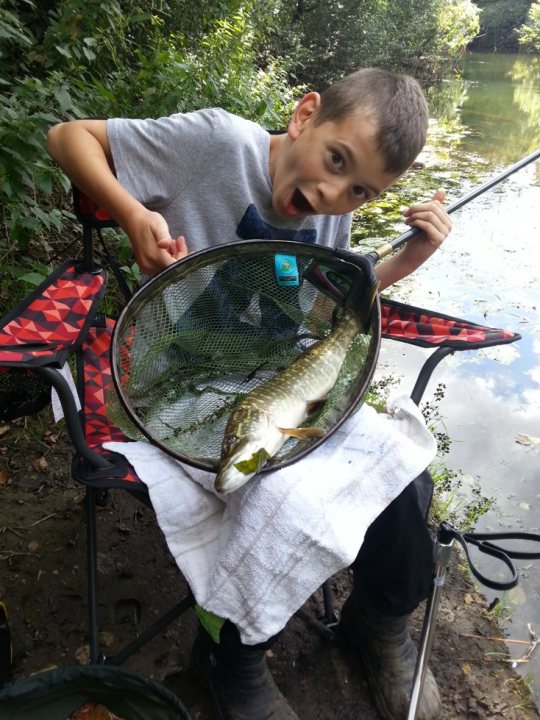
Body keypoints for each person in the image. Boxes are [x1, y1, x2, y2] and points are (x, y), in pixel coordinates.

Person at [47, 67, 452, 720]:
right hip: (179, 385)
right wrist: (132, 212)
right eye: (336, 159)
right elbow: (68, 137)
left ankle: (378, 620)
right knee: (265, 489)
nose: (331, 192)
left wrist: (405, 261)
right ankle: (228, 660)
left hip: (278, 382)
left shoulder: (331, 218)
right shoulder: (216, 144)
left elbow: (325, 314)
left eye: (360, 190)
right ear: (304, 117)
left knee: (405, 473)